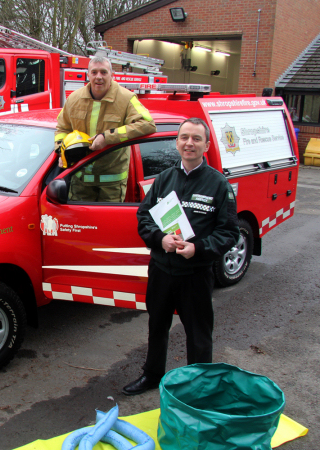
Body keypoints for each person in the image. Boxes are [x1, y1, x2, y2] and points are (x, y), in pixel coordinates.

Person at [122, 118, 239, 396]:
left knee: (198, 334)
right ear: (176, 143)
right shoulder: (163, 179)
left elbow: (229, 232)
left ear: (206, 145)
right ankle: (152, 375)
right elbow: (144, 218)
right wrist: (160, 239)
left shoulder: (218, 184)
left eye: (196, 139)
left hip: (195, 274)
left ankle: (199, 387)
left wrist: (198, 248)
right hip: (162, 270)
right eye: (184, 137)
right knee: (156, 326)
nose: (189, 143)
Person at [55, 55, 156, 202]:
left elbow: (148, 124)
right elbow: (62, 128)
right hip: (80, 180)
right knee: (81, 225)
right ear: (88, 75)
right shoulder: (74, 99)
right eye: (94, 72)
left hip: (111, 184)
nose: (99, 77)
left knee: (107, 224)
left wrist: (107, 138)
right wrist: (61, 151)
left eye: (103, 72)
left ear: (112, 75)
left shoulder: (126, 98)